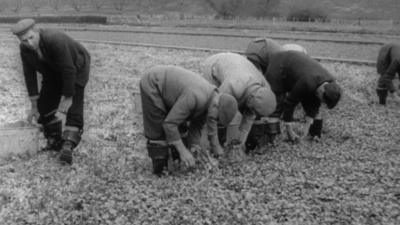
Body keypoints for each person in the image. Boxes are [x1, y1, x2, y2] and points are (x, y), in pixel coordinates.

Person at [11, 18, 91, 164]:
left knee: (73, 107)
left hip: (76, 67)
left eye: (31, 37)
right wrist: (34, 106)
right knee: (43, 108)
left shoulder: (55, 39)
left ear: (37, 32)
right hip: (52, 70)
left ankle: (68, 144)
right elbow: (29, 75)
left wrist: (68, 96)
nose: (29, 43)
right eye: (24, 40)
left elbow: (68, 69)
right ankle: (55, 140)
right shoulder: (25, 50)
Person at [140, 65, 238, 176]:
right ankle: (160, 172)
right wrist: (183, 151)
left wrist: (195, 151)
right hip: (153, 83)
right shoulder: (195, 96)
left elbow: (195, 129)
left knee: (182, 129)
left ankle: (176, 163)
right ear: (216, 106)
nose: (213, 121)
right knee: (158, 131)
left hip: (172, 93)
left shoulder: (209, 103)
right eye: (216, 118)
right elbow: (170, 124)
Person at [201, 52, 276, 151]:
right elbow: (213, 111)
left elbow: (249, 117)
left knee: (235, 114)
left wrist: (241, 143)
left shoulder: (264, 87)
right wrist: (216, 145)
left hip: (239, 67)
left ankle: (226, 142)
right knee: (211, 108)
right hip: (214, 65)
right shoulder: (233, 86)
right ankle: (205, 144)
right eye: (253, 110)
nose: (253, 113)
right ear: (249, 100)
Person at [265, 51, 342, 141]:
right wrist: (289, 130)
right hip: (280, 64)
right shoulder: (308, 82)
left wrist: (306, 130)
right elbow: (290, 103)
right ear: (321, 91)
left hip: (297, 68)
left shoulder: (329, 82)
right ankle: (271, 134)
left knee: (310, 98)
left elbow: (314, 104)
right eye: (323, 100)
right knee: (277, 99)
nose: (321, 102)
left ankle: (314, 134)